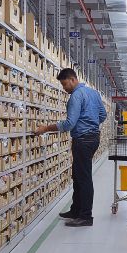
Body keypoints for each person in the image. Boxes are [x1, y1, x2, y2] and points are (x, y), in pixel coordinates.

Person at [34, 68, 106, 226]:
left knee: (84, 178)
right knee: (78, 176)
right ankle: (76, 210)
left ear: (73, 79)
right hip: (93, 138)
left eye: (64, 84)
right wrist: (91, 124)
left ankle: (86, 216)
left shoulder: (75, 96)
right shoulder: (94, 93)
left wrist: (46, 128)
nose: (64, 88)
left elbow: (69, 124)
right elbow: (103, 115)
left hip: (82, 140)